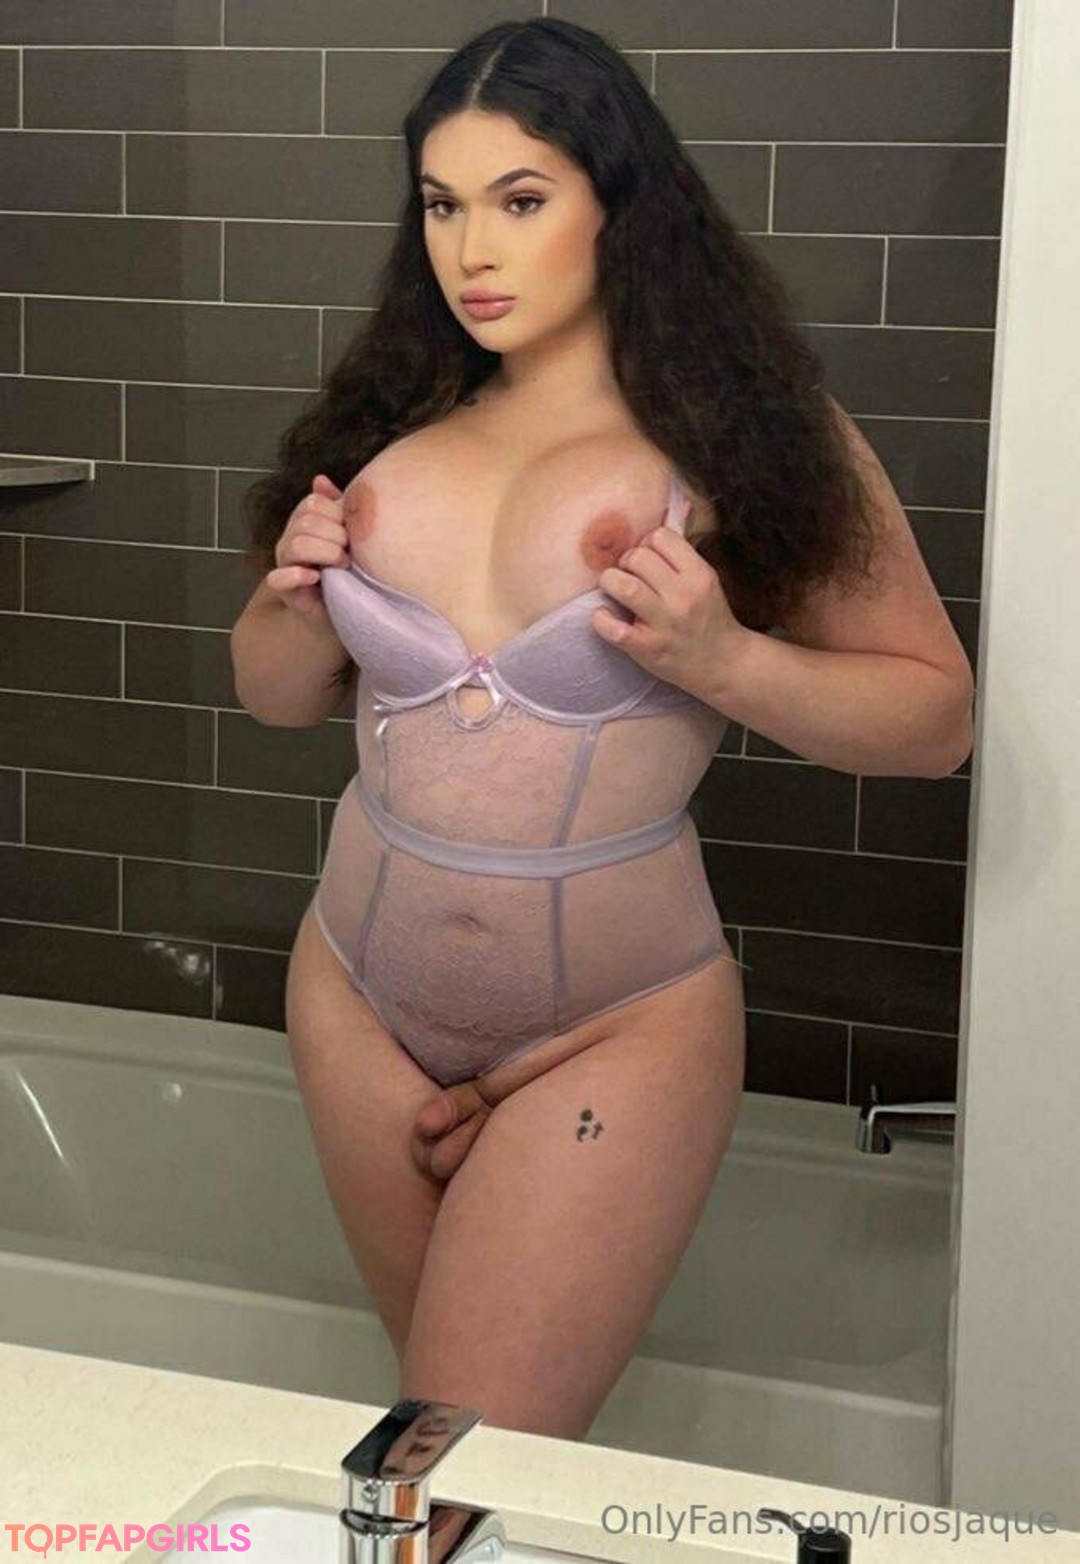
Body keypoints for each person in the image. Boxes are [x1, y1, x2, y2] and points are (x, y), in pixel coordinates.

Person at [230, 18, 974, 1440]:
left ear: (619, 206)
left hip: (609, 1032)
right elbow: (272, 697)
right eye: (442, 205)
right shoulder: (394, 417)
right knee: (437, 1453)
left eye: (521, 200)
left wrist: (725, 659)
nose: (472, 251)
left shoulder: (754, 438)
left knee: (459, 1468)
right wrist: (292, 601)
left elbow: (934, 720)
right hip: (355, 999)